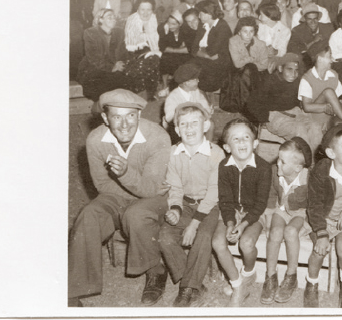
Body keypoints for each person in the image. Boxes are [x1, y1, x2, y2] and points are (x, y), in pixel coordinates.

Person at [68, 89, 172, 307]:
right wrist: (134, 192)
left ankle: (156, 270)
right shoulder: (95, 140)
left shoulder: (158, 137)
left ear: (139, 115)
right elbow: (102, 185)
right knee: (89, 215)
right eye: (117, 116)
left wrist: (126, 175)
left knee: (136, 214)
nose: (125, 125)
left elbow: (153, 189)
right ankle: (74, 290)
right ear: (105, 118)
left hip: (155, 201)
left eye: (130, 116)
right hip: (116, 195)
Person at [158, 102, 225, 307]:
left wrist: (194, 224)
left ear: (205, 126)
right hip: (185, 204)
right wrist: (176, 209)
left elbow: (214, 193)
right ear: (177, 129)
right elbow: (175, 188)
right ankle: (193, 280)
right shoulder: (172, 153)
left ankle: (188, 288)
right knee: (164, 237)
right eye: (183, 124)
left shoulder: (216, 153)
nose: (189, 128)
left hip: (211, 206)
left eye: (194, 123)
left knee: (203, 236)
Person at [212, 118, 272, 307]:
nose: (241, 142)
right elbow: (225, 200)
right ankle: (237, 284)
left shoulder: (264, 168)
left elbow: (260, 204)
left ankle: (248, 272)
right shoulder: (224, 166)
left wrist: (244, 224)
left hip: (255, 213)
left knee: (246, 243)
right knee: (217, 242)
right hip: (231, 211)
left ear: (255, 143)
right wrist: (230, 222)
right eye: (235, 139)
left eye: (246, 137)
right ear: (227, 147)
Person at [304, 124, 342, 308]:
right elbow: (314, 205)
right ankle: (311, 283)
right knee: (319, 251)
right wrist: (321, 233)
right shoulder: (321, 172)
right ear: (331, 153)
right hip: (323, 220)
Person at [260, 137, 312, 304]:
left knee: (290, 232)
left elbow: (315, 204)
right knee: (274, 232)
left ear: (298, 167)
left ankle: (291, 275)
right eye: (278, 159)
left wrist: (308, 225)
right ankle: (270, 276)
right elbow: (271, 195)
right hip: (281, 209)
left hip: (301, 213)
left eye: (282, 162)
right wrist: (268, 220)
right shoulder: (276, 174)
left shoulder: (308, 179)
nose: (277, 164)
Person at [245, 53, 324, 153]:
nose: (293, 74)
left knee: (316, 129)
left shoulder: (297, 82)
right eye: (289, 69)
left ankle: (309, 160)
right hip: (276, 116)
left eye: (296, 70)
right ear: (281, 68)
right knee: (300, 131)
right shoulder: (270, 81)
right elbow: (251, 103)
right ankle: (308, 163)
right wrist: (265, 117)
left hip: (295, 113)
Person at [299, 41, 342, 131]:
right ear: (319, 59)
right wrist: (325, 107)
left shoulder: (333, 75)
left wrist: (337, 108)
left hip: (330, 115)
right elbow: (306, 107)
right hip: (314, 116)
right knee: (328, 92)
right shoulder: (307, 79)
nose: (332, 59)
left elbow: (338, 100)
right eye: (329, 56)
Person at [76, 9, 131, 101]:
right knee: (102, 84)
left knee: (123, 81)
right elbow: (93, 58)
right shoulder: (90, 33)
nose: (113, 19)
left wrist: (120, 64)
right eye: (109, 17)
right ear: (100, 20)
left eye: (114, 17)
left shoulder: (119, 32)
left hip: (114, 67)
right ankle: (102, 108)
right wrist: (112, 67)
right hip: (94, 68)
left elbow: (123, 53)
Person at [123, 0, 162, 101]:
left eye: (149, 9)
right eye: (142, 9)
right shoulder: (132, 20)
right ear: (137, 10)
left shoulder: (153, 18)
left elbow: (156, 38)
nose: (146, 13)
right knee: (150, 61)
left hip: (150, 49)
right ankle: (143, 93)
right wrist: (151, 52)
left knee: (153, 59)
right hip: (133, 51)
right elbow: (132, 44)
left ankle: (150, 93)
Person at [189, 0, 233, 93]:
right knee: (186, 68)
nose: (199, 16)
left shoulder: (222, 27)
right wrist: (205, 55)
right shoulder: (202, 25)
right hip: (206, 59)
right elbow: (193, 49)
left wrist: (201, 51)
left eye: (200, 14)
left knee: (195, 72)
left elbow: (212, 51)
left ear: (208, 14)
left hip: (220, 62)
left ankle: (203, 99)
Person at [163, 64, 214, 143]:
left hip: (194, 119)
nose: (198, 80)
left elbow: (204, 106)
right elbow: (170, 117)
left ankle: (207, 145)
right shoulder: (172, 97)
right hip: (179, 123)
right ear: (187, 83)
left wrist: (206, 112)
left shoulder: (195, 91)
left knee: (210, 124)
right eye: (196, 79)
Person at [227, 16, 269, 108]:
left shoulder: (261, 44)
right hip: (239, 73)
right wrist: (250, 59)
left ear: (255, 32)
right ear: (239, 32)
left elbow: (264, 65)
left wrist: (250, 65)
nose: (248, 35)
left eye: (251, 31)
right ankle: (245, 104)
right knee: (247, 69)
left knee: (250, 68)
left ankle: (250, 104)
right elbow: (237, 64)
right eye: (245, 31)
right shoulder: (233, 41)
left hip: (257, 74)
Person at [287, 3, 334, 68]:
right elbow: (292, 50)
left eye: (315, 18)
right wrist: (313, 42)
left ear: (318, 18)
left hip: (326, 62)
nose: (313, 22)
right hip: (306, 65)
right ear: (305, 19)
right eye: (309, 19)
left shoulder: (328, 28)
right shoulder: (297, 31)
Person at [157, 10, 191, 97]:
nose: (170, 26)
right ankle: (165, 86)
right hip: (169, 55)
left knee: (185, 60)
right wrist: (179, 49)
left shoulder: (186, 31)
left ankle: (179, 87)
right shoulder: (163, 30)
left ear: (180, 24)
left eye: (174, 24)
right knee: (165, 59)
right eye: (169, 23)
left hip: (182, 56)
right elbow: (163, 48)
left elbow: (188, 49)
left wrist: (172, 49)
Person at [257, 3, 291, 68]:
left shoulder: (285, 30)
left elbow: (282, 51)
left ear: (269, 16)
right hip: (260, 59)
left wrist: (275, 51)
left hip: (276, 61)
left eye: (261, 15)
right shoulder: (260, 27)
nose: (259, 17)